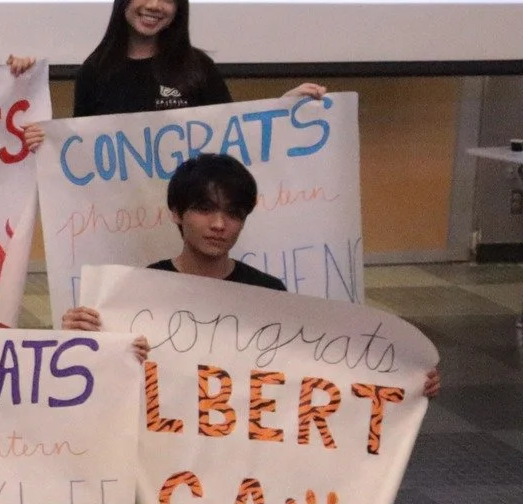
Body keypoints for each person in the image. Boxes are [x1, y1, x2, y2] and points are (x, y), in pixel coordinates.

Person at [61, 153, 438, 396]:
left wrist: (401, 381)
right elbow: (105, 383)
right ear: (176, 212)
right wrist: (79, 341)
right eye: (205, 210)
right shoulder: (141, 289)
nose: (219, 225)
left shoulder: (266, 292)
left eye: (233, 213)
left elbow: (309, 371)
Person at [71, 0, 323, 118]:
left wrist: (283, 109)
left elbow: (234, 136)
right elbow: (79, 155)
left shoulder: (198, 69)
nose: (155, 5)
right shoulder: (94, 72)